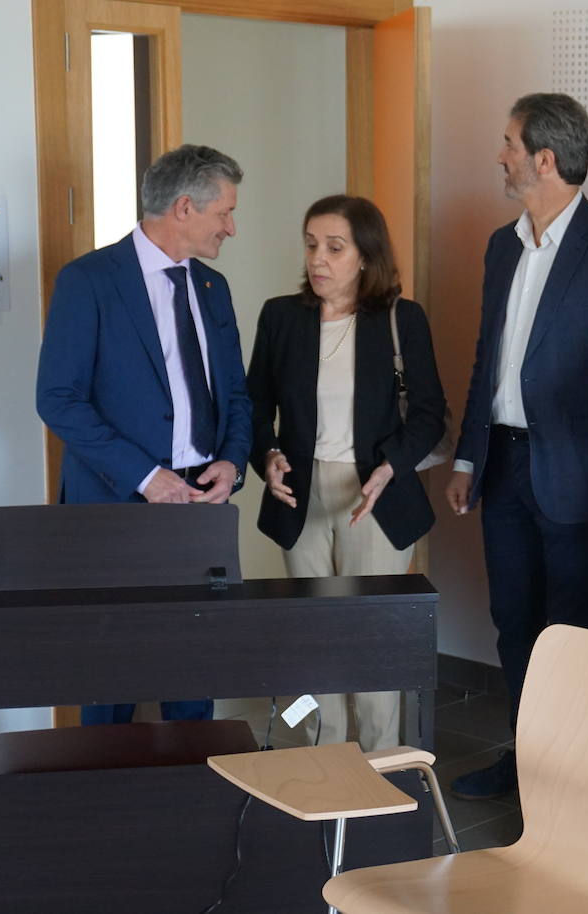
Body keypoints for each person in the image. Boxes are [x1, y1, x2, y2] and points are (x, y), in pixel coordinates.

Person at [444, 93, 588, 799]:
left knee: (573, 628)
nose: (499, 156)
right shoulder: (503, 245)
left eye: (508, 143)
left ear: (544, 158)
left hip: (579, 473)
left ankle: (576, 775)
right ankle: (527, 758)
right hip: (502, 464)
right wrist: (468, 456)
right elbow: (489, 356)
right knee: (513, 621)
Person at [36, 144, 252, 726]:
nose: (231, 227)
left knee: (193, 669)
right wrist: (146, 476)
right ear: (184, 207)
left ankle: (193, 800)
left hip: (201, 510)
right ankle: (105, 807)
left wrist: (232, 462)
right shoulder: (89, 281)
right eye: (223, 213)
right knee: (111, 675)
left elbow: (235, 393)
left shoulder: (214, 288)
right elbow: (57, 399)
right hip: (114, 506)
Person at [247, 195, 446, 751]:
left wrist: (391, 467)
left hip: (375, 498)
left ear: (366, 256)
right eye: (311, 244)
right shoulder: (281, 316)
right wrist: (267, 456)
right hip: (299, 496)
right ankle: (321, 764)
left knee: (371, 641)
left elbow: (430, 414)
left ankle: (383, 768)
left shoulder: (401, 320)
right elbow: (254, 407)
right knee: (313, 641)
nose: (319, 259)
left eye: (335, 247)